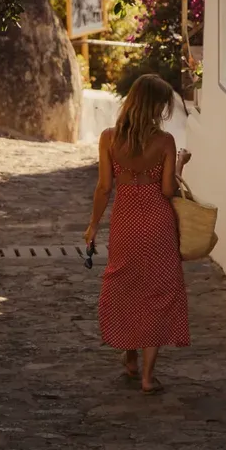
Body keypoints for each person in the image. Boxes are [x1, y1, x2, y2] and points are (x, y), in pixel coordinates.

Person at [84, 73, 189, 393]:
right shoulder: (166, 142)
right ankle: (146, 376)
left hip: (126, 221)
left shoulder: (109, 138)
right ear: (156, 106)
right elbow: (169, 189)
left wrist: (93, 225)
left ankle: (129, 357)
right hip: (158, 220)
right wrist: (181, 164)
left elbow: (104, 188)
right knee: (159, 289)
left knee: (126, 284)